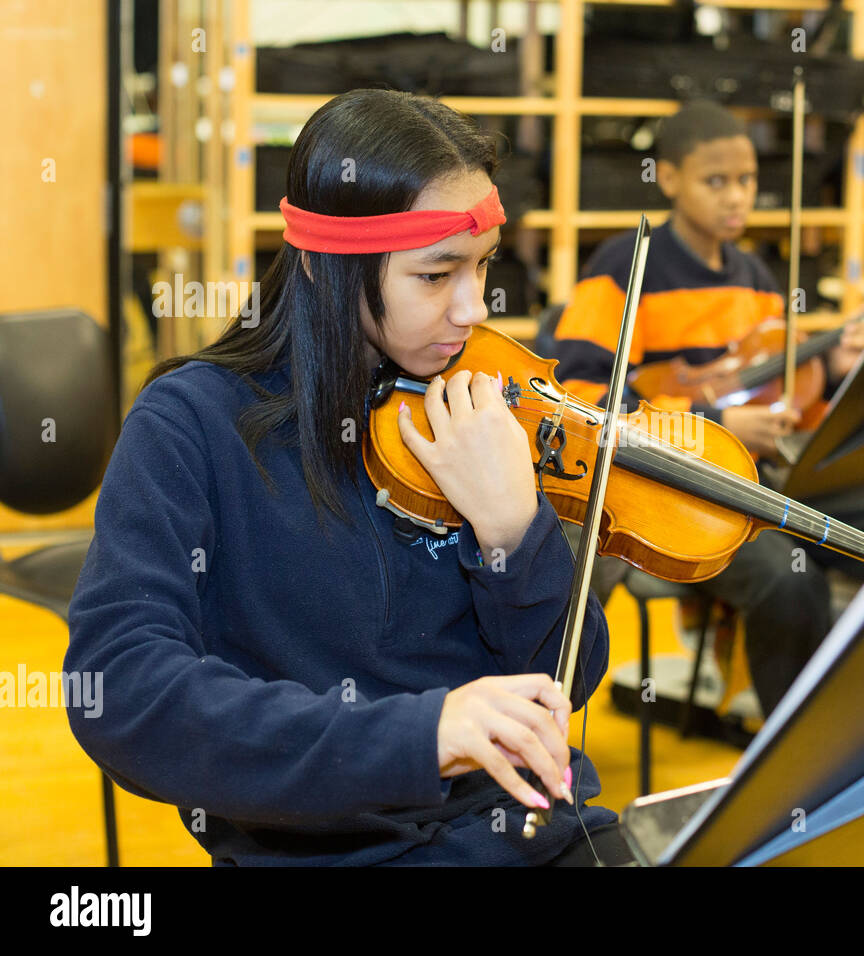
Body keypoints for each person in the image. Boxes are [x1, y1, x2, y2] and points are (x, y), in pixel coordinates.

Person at [64, 89, 632, 867]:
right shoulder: (189, 424)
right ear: (328, 263)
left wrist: (515, 535)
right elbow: (122, 691)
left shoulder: (475, 405)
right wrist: (418, 737)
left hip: (534, 831)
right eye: (437, 276)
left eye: (483, 267)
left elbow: (568, 677)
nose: (474, 308)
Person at [551, 101, 864, 717]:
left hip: (761, 471)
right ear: (669, 179)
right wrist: (715, 425)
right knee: (789, 575)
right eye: (716, 181)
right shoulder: (624, 266)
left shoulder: (755, 275)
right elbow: (579, 397)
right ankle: (792, 745)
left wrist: (837, 363)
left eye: (748, 181)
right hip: (681, 489)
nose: (737, 197)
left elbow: (788, 392)